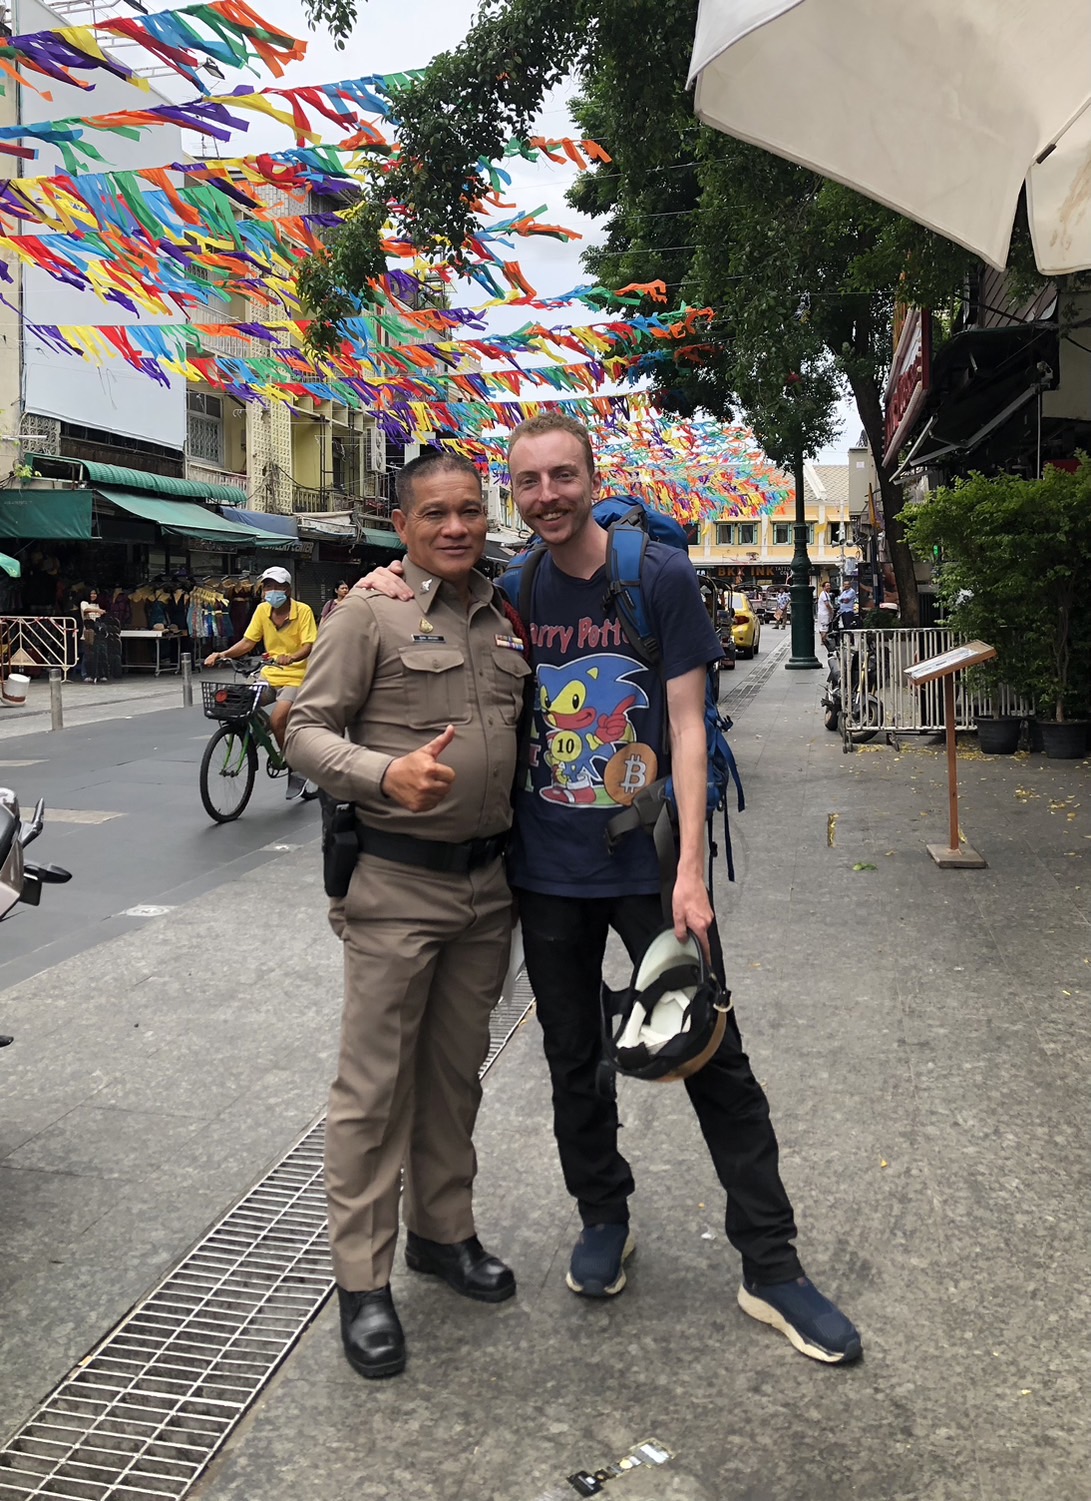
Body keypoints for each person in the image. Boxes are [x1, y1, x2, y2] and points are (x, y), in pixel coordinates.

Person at [362, 415, 861, 1366]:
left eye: (562, 476)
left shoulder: (655, 576)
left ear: (592, 478)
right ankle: (603, 1214)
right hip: (547, 872)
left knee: (713, 1054)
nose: (546, 496)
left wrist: (689, 874)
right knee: (572, 1057)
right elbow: (424, 598)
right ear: (514, 495)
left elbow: (687, 723)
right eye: (528, 482)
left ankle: (771, 1263)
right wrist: (382, 579)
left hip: (648, 866)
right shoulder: (511, 589)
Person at [284, 452, 524, 1382]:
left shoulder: (502, 616)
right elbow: (302, 728)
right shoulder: (365, 612)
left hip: (485, 888)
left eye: (469, 510)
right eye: (435, 513)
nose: (455, 527)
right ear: (402, 524)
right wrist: (383, 773)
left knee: (454, 1076)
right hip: (395, 885)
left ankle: (442, 1232)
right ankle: (362, 1279)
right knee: (373, 1089)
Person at [203, 567, 316, 794]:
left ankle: (294, 766)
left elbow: (308, 645)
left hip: (296, 676)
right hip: (269, 673)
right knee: (240, 703)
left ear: (288, 589)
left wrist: (292, 657)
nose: (272, 591)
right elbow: (248, 642)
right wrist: (222, 654)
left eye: (277, 586)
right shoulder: (262, 610)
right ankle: (262, 729)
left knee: (278, 720)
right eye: (268, 586)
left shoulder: (303, 611)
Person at [816, 580, 835, 648]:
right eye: (827, 586)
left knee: (823, 627)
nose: (828, 587)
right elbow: (827, 604)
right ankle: (824, 641)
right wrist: (831, 611)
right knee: (824, 627)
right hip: (824, 614)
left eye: (829, 586)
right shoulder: (824, 594)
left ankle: (823, 640)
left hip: (824, 613)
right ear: (823, 587)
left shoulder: (826, 594)